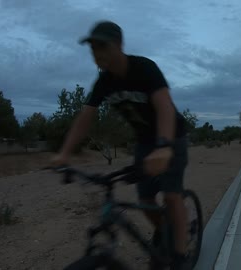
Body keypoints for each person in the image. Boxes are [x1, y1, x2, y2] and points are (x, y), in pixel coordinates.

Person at [50, 20, 190, 269]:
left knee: (171, 195)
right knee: (146, 199)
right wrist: (64, 153)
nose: (97, 53)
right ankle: (163, 231)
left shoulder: (144, 68)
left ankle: (180, 255)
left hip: (172, 137)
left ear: (119, 45)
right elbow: (85, 118)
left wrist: (165, 146)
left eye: (102, 46)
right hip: (145, 142)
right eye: (92, 48)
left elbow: (164, 106)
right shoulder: (104, 82)